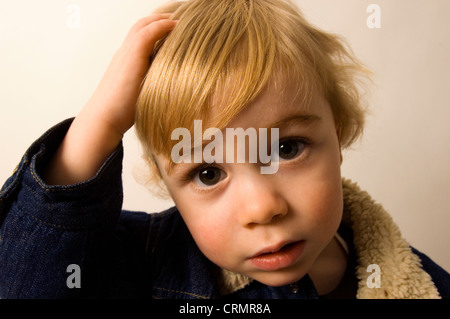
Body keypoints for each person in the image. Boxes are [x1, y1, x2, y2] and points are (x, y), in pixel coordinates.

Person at [0, 0, 449, 299]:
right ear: (167, 185)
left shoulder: (422, 284)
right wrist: (96, 127)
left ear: (340, 133)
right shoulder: (138, 260)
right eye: (208, 173)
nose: (262, 207)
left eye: (288, 148)